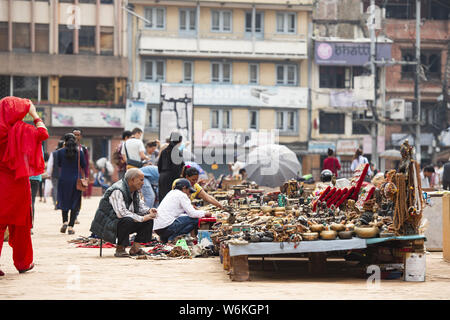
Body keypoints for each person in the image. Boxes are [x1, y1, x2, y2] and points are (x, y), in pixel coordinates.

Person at [0, 97, 48, 276]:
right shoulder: (22, 129)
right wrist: (34, 114)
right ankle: (23, 263)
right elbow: (43, 134)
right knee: (21, 225)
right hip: (18, 184)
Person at [90, 168, 157, 257]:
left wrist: (149, 211)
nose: (143, 183)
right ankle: (120, 248)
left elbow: (140, 206)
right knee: (128, 220)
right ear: (132, 180)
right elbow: (121, 213)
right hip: (109, 225)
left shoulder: (134, 191)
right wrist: (142, 218)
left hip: (120, 222)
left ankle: (135, 248)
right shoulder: (117, 190)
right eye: (141, 180)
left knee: (149, 220)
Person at [153, 178, 211, 244]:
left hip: (158, 229)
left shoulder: (171, 193)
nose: (189, 194)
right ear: (184, 188)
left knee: (186, 218)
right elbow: (192, 214)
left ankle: (164, 239)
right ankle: (172, 238)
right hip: (166, 227)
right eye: (189, 191)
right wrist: (205, 213)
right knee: (195, 220)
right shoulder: (182, 195)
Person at [55, 133, 86, 235]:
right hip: (75, 181)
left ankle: (64, 221)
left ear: (65, 141)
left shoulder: (59, 152)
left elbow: (59, 164)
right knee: (75, 203)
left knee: (64, 201)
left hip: (63, 180)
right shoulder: (79, 152)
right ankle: (71, 227)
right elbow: (84, 165)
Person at [157, 132, 185, 202]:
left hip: (162, 177)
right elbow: (177, 168)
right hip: (172, 178)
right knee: (171, 200)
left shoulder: (164, 151)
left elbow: (159, 165)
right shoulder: (177, 152)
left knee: (163, 199)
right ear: (180, 141)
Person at [72, 128, 89, 224]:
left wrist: (86, 176)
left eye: (78, 135)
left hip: (80, 176)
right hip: (69, 176)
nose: (76, 137)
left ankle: (76, 215)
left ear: (80, 137)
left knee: (78, 197)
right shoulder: (65, 147)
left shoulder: (83, 149)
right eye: (74, 134)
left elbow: (85, 164)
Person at [46, 140, 64, 209]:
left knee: (55, 188)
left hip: (55, 174)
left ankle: (56, 203)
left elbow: (50, 164)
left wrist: (49, 173)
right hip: (63, 174)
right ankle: (61, 203)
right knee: (62, 189)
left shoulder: (54, 153)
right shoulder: (66, 153)